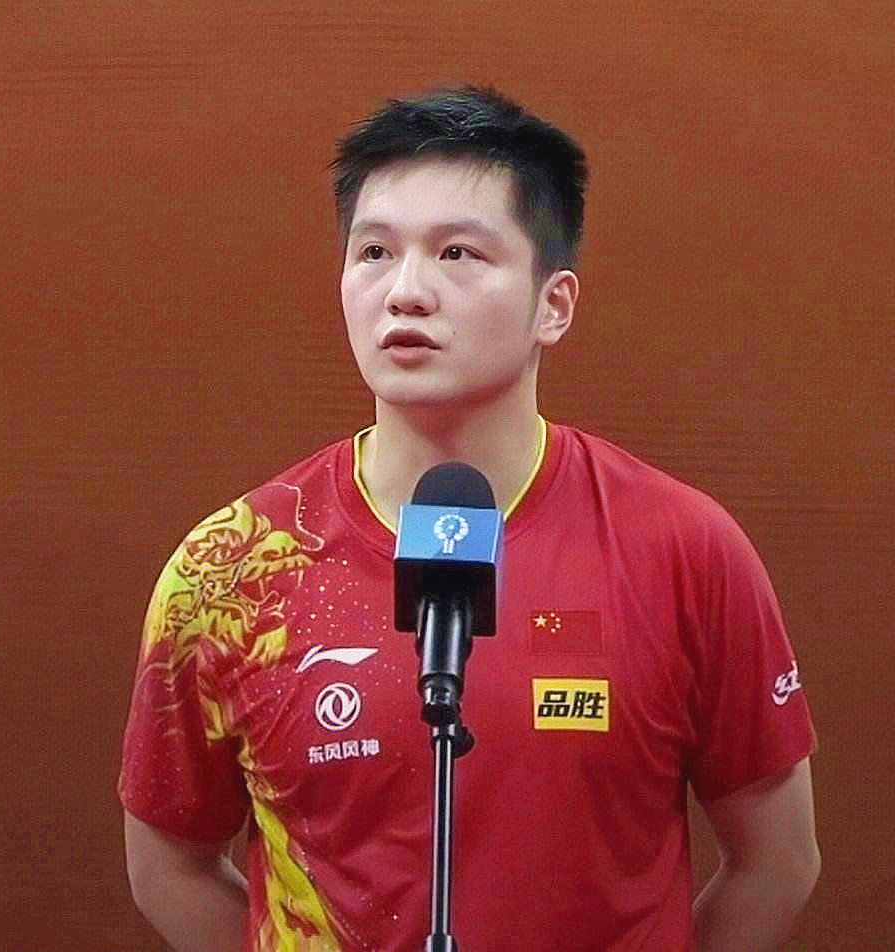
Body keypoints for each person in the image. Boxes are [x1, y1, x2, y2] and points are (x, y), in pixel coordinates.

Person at [120, 86, 820, 952]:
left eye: (457, 253)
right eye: (374, 251)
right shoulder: (234, 568)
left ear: (552, 305)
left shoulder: (685, 548)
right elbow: (169, 867)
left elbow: (777, 862)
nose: (405, 291)